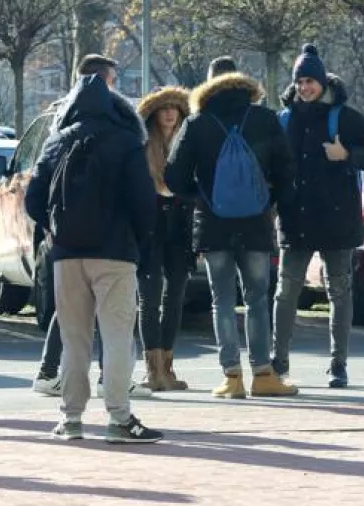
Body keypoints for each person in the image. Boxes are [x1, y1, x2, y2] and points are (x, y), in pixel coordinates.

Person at [25, 62, 162, 443]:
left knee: (74, 338)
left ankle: (70, 419)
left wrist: (55, 229)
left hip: (66, 254)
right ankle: (119, 418)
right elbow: (143, 201)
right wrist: (140, 242)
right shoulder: (126, 140)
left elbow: (33, 199)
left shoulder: (57, 141)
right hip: (115, 253)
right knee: (118, 337)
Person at [165, 57, 297, 399]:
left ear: (207, 85)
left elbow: (174, 176)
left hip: (213, 225)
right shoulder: (265, 119)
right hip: (256, 223)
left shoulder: (197, 123)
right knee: (257, 299)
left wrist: (201, 197)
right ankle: (264, 375)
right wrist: (269, 203)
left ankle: (232, 377)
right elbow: (286, 171)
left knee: (221, 300)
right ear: (242, 82)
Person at [271, 44, 364, 388]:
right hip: (295, 218)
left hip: (337, 220)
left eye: (311, 80)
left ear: (323, 82)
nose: (305, 87)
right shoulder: (284, 119)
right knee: (286, 292)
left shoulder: (346, 117)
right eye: (300, 81)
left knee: (339, 291)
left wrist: (347, 154)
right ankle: (279, 362)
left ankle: (338, 364)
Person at [134, 86, 193, 391]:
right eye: (163, 107)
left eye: (175, 107)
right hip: (150, 224)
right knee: (149, 296)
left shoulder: (189, 141)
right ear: (154, 113)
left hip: (180, 226)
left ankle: (167, 367)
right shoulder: (143, 143)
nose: (170, 113)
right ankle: (151, 370)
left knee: (176, 295)